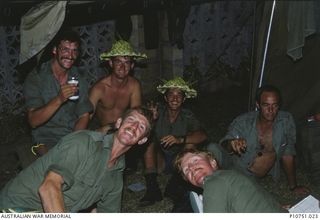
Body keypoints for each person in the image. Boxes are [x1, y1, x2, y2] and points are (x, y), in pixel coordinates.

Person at [0, 107, 153, 213]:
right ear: (119, 123)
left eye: (141, 127)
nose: (133, 127)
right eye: (131, 120)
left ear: (142, 140)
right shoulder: (83, 143)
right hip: (17, 208)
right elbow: (48, 188)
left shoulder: (116, 177)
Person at [219, 85, 309, 195]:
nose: (271, 110)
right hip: (239, 170)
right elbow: (224, 144)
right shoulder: (244, 121)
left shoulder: (286, 120)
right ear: (258, 105)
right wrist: (231, 143)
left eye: (274, 105)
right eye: (266, 105)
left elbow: (288, 153)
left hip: (266, 170)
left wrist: (293, 186)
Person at [140, 76, 208, 212]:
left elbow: (203, 135)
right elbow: (139, 131)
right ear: (165, 98)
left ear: (184, 99)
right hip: (161, 160)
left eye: (179, 95)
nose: (175, 99)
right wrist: (150, 120)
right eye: (171, 94)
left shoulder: (188, 116)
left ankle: (177, 182)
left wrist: (180, 139)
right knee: (148, 142)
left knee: (190, 146)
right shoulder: (157, 112)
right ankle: (152, 188)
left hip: (179, 161)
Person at [23, 29, 93, 157]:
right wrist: (59, 99)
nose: (70, 56)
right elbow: (33, 121)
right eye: (65, 49)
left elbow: (84, 116)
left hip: (71, 134)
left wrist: (74, 140)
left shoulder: (78, 78)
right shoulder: (37, 77)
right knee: (54, 165)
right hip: (44, 139)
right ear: (55, 50)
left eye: (74, 51)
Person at [86, 39, 147, 170]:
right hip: (105, 132)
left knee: (148, 131)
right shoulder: (99, 88)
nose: (122, 67)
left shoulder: (134, 85)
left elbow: (137, 113)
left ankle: (150, 176)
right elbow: (84, 118)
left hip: (125, 130)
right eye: (118, 62)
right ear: (110, 63)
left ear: (132, 66)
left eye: (127, 62)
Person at [174, 148, 286, 212]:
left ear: (213, 162)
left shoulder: (214, 181)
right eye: (187, 170)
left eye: (195, 161)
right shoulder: (229, 178)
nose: (192, 168)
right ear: (189, 181)